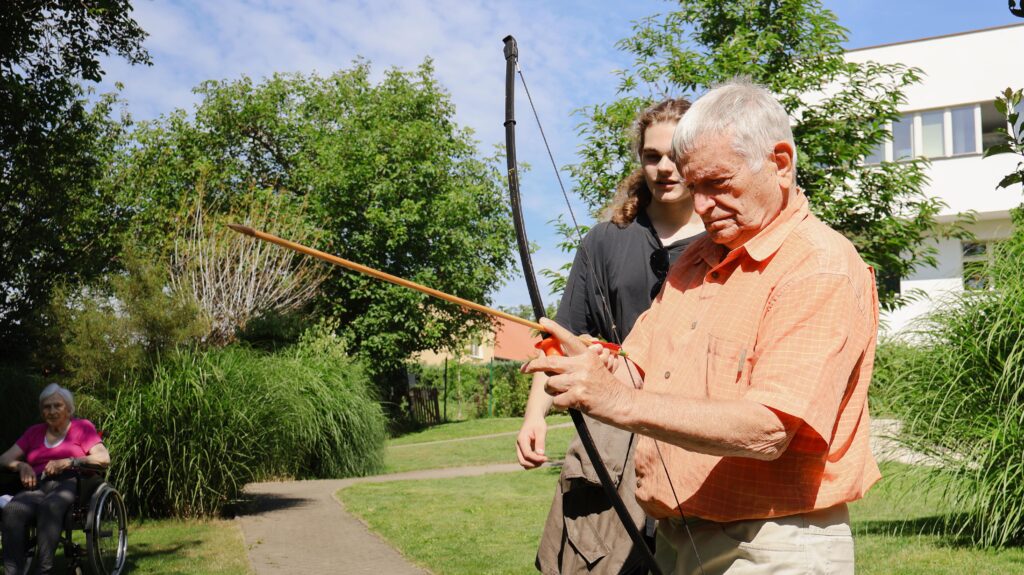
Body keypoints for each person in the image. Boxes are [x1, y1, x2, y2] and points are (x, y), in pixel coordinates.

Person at [523, 79, 880, 575]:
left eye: (718, 184)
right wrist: (593, 368)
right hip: (679, 536)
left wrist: (615, 400)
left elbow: (769, 428)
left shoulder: (818, 266)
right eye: (695, 188)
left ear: (779, 163)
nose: (703, 206)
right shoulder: (699, 257)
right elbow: (638, 366)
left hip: (773, 545)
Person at [516, 98, 705, 574]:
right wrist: (535, 416)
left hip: (692, 431)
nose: (664, 167)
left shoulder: (724, 240)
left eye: (676, 154)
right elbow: (561, 338)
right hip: (609, 439)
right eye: (652, 156)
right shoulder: (604, 240)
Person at [1, 383, 110, 575]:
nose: (51, 411)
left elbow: (103, 458)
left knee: (50, 506)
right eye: (46, 406)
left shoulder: (82, 428)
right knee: (12, 509)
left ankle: (44, 570)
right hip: (36, 484)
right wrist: (22, 466)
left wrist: (70, 461)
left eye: (57, 405)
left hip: (70, 483)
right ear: (42, 411)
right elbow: (4, 459)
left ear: (69, 409)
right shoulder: (34, 432)